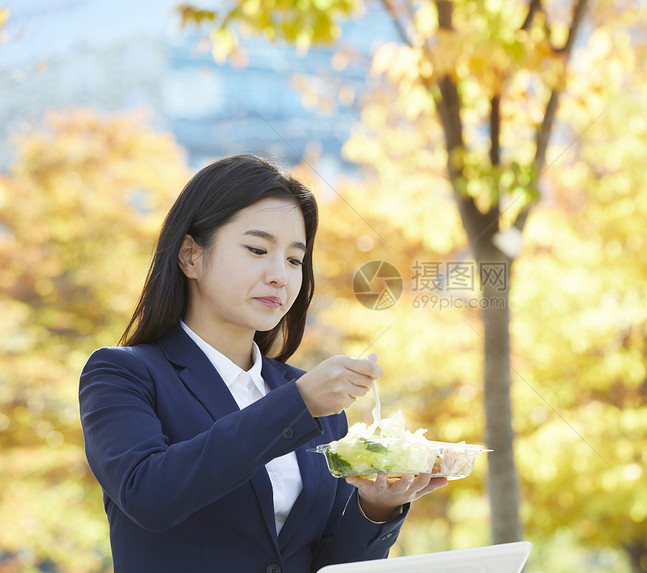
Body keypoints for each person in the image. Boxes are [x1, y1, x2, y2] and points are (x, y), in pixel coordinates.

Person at [79, 155, 447, 573]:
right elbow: (149, 495)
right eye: (257, 249)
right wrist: (298, 404)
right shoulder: (122, 374)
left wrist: (376, 508)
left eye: (295, 259)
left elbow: (328, 565)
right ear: (190, 256)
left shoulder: (312, 401)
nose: (281, 276)